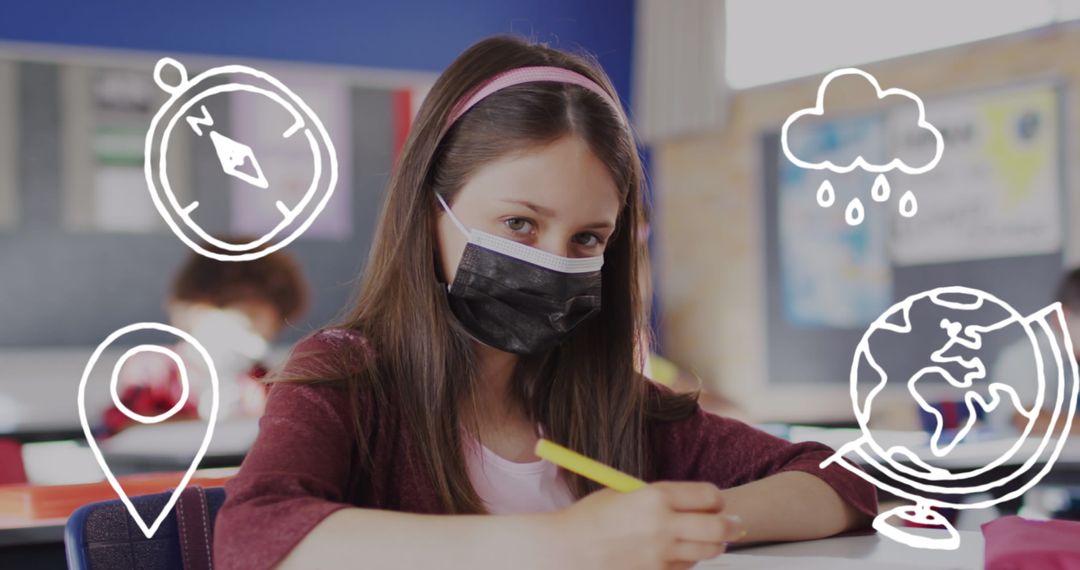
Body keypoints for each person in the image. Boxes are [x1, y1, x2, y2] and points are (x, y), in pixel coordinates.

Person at [214, 35, 877, 570]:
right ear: (429, 213)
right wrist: (565, 545)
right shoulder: (346, 378)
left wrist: (680, 524)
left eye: (587, 238)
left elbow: (844, 481)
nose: (554, 261)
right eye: (519, 224)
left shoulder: (615, 405)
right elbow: (253, 535)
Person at [100, 242, 308, 434]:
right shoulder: (155, 368)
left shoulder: (263, 379)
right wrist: (202, 421)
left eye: (263, 333)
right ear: (197, 309)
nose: (250, 341)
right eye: (245, 322)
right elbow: (121, 427)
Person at [991, 268, 1080, 437]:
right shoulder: (1023, 358)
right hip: (1021, 462)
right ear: (1062, 317)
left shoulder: (1073, 362)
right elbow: (1030, 420)